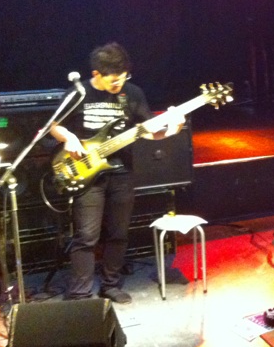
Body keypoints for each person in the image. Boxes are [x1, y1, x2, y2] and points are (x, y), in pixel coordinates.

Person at [50, 42, 184, 304]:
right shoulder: (78, 93)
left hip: (122, 172)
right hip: (86, 173)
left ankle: (110, 285)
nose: (119, 84)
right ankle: (80, 293)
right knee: (86, 235)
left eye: (123, 78)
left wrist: (172, 129)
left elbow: (147, 131)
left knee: (119, 233)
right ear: (96, 74)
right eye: (113, 80)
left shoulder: (133, 94)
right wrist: (68, 137)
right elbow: (54, 125)